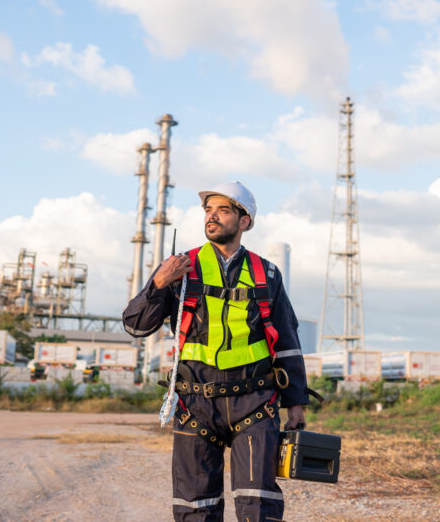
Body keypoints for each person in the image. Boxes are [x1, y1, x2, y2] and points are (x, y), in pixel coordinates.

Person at [123, 181, 309, 522]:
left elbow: (286, 341)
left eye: (223, 210)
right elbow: (136, 325)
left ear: (244, 221)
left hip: (254, 403)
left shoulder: (266, 274)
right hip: (195, 404)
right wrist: (159, 283)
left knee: (259, 506)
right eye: (208, 210)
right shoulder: (180, 268)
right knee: (196, 509)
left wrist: (295, 403)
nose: (212, 217)